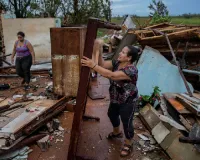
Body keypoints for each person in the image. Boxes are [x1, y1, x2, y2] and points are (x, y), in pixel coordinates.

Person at [81, 45, 140, 157]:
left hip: (128, 100)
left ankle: (128, 143)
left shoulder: (131, 70)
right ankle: (117, 132)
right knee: (112, 114)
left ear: (129, 58)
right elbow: (102, 64)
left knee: (126, 122)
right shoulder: (117, 63)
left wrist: (92, 65)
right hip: (115, 97)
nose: (119, 53)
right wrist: (98, 49)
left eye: (123, 52)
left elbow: (111, 75)